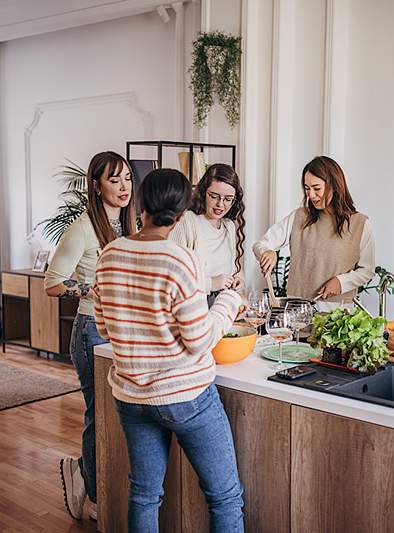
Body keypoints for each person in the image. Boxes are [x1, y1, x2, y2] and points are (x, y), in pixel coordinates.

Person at [92, 168, 244, 532]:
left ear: (141, 204)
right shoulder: (179, 259)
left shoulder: (110, 254)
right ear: (181, 214)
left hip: (132, 397)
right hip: (186, 396)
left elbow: (104, 329)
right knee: (224, 497)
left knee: (144, 495)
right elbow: (199, 340)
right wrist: (228, 302)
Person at [44, 151, 138, 521]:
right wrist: (87, 287)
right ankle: (97, 495)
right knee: (98, 413)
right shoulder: (82, 228)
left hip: (125, 331)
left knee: (119, 414)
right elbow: (52, 284)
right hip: (92, 331)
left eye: (128, 178)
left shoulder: (132, 227)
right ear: (96, 187)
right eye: (114, 180)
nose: (124, 186)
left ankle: (86, 470)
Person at [253, 156, 375, 309]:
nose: (310, 195)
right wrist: (267, 252)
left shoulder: (360, 224)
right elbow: (261, 244)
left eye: (316, 188)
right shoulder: (299, 217)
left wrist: (341, 282)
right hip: (298, 312)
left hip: (338, 316)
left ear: (334, 185)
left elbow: (367, 270)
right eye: (306, 188)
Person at [169, 163, 246, 305]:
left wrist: (238, 280)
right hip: (193, 309)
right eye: (214, 196)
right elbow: (173, 277)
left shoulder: (228, 226)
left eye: (228, 199)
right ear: (203, 192)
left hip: (223, 307)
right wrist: (211, 284)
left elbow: (232, 269)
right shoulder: (187, 221)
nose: (220, 204)